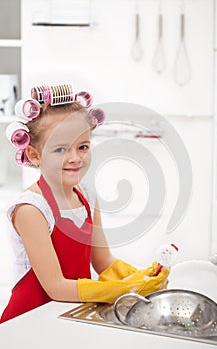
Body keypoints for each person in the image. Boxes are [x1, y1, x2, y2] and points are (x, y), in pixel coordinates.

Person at [0, 84, 169, 323]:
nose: (75, 158)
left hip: (68, 314)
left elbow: (103, 261)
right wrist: (125, 289)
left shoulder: (87, 196)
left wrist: (141, 277)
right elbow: (56, 287)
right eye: (60, 149)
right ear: (35, 155)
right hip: (28, 320)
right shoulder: (31, 209)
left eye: (83, 147)